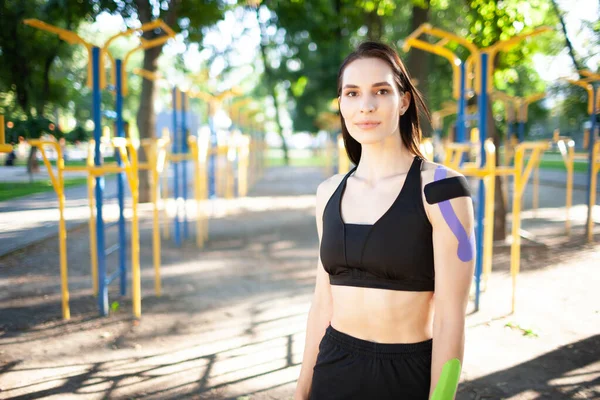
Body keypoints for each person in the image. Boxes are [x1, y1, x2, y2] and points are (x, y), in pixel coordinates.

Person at [294, 41, 475, 400]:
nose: (366, 105)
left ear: (403, 100)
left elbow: (450, 317)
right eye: (352, 93)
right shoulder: (328, 192)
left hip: (405, 376)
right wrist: (301, 393)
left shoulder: (442, 189)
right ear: (342, 103)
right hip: (333, 368)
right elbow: (322, 304)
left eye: (381, 90)